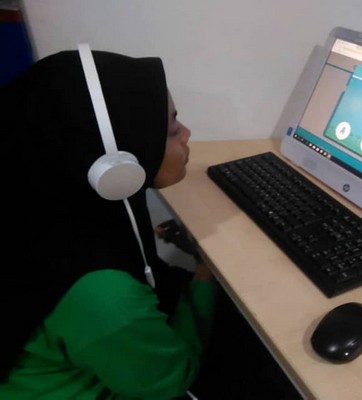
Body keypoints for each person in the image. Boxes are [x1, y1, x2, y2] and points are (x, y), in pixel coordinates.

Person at [0, 48, 215, 399]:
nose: (187, 134)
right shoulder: (100, 291)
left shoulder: (43, 204)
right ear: (115, 164)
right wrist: (206, 276)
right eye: (173, 129)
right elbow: (170, 380)